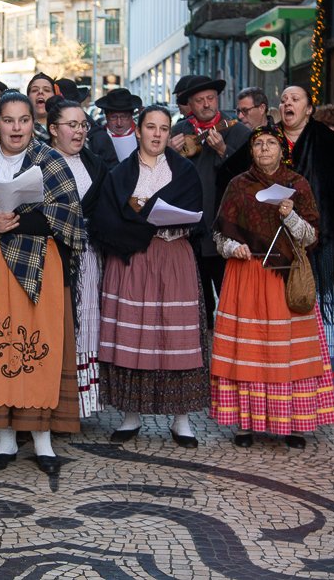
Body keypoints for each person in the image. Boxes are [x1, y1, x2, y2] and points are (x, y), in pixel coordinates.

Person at [0, 92, 86, 475]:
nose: (16, 128)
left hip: (38, 268)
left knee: (37, 351)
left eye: (23, 120)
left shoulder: (51, 160)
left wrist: (17, 220)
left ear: (33, 123)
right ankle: (5, 440)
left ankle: (42, 440)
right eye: (8, 120)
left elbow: (70, 216)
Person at [209, 123, 334, 448]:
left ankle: (293, 424)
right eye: (258, 144)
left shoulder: (297, 184)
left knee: (289, 352)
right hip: (247, 274)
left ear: (283, 150)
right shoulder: (238, 185)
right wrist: (232, 248)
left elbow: (311, 237)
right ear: (251, 151)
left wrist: (291, 216)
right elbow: (219, 235)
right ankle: (245, 425)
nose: (264, 148)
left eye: (271, 143)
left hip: (285, 277)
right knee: (247, 350)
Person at [92, 105, 208, 447]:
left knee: (177, 336)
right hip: (133, 260)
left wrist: (147, 215)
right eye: (151, 127)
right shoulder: (119, 174)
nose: (157, 134)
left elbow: (196, 215)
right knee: (133, 335)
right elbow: (106, 220)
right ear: (139, 130)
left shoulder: (184, 171)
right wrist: (139, 224)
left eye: (163, 128)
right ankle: (131, 415)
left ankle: (181, 419)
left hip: (173, 257)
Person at [279, 85, 334, 402]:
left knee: (326, 303)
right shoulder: (269, 139)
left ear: (308, 109)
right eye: (284, 99)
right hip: (281, 241)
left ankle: (328, 383)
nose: (287, 104)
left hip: (325, 236)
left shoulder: (329, 143)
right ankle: (291, 380)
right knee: (287, 306)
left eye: (295, 99)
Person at [168, 75, 252, 328]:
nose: (206, 104)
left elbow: (249, 178)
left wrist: (223, 151)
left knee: (230, 295)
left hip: (226, 227)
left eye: (211, 98)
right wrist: (168, 153)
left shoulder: (238, 131)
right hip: (190, 229)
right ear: (189, 105)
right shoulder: (178, 132)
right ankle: (202, 341)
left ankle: (228, 340)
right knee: (196, 299)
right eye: (199, 100)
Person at [46, 96, 109, 417]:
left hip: (88, 257)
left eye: (83, 124)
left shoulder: (94, 163)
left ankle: (80, 404)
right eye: (72, 125)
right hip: (51, 258)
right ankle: (51, 403)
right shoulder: (39, 162)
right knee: (55, 326)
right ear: (53, 129)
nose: (80, 131)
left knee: (85, 325)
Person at [87, 88, 142, 169]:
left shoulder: (143, 136)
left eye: (123, 117)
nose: (119, 123)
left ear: (131, 116)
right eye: (113, 117)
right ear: (106, 116)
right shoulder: (96, 139)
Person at [26, 73, 58, 143]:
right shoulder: (21, 129)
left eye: (46, 90)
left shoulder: (65, 127)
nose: (40, 92)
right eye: (34, 90)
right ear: (28, 98)